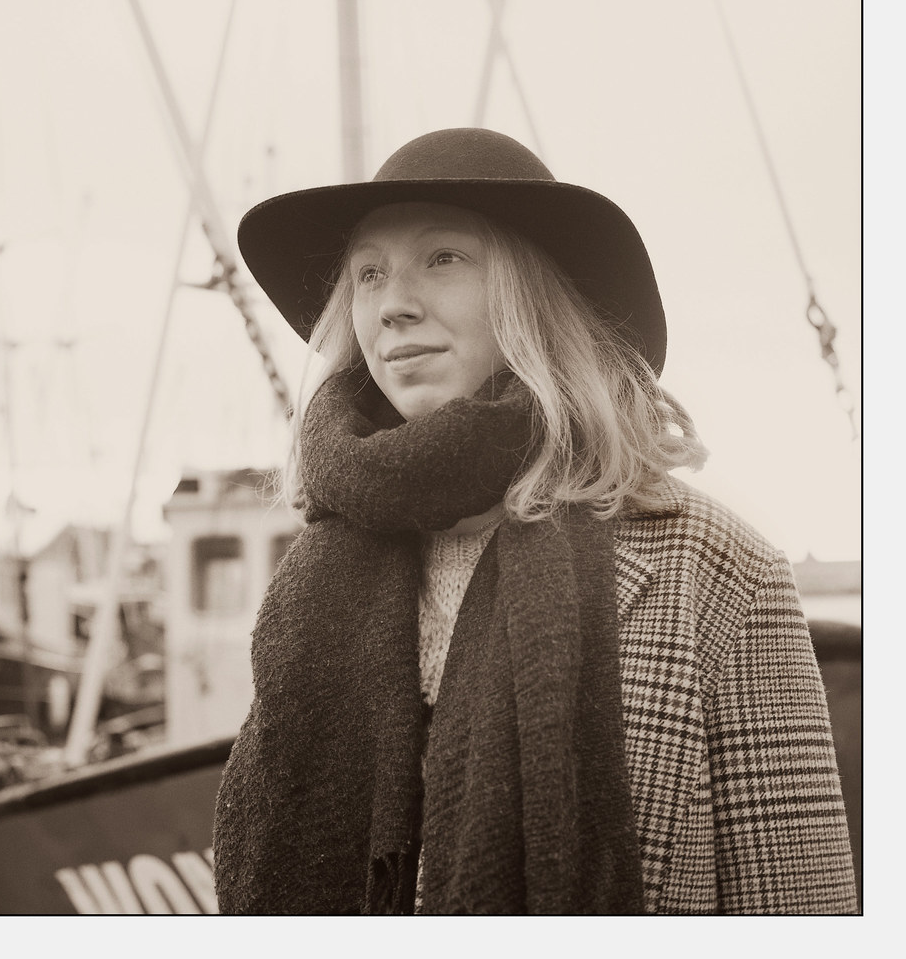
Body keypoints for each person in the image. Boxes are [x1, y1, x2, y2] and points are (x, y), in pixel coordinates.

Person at [212, 127, 857, 915]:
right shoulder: (317, 578)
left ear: (532, 298)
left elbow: (800, 908)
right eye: (369, 273)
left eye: (442, 258)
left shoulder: (716, 569)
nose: (393, 305)